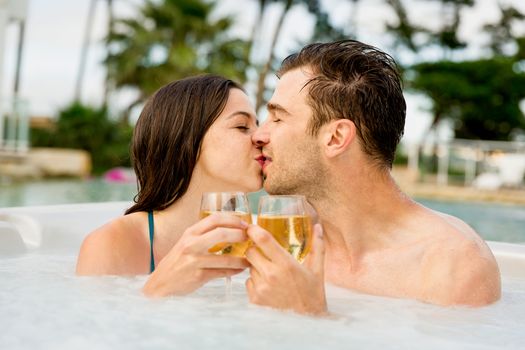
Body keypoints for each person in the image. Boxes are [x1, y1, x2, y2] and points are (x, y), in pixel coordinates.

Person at [244, 40, 501, 315]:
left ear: (336, 138)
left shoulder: (451, 265)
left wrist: (313, 319)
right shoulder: (291, 244)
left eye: (278, 118)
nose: (259, 134)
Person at [76, 75, 262, 297]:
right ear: (187, 139)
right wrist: (158, 289)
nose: (260, 136)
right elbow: (92, 329)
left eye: (257, 125)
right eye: (242, 126)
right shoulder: (110, 246)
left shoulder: (265, 238)